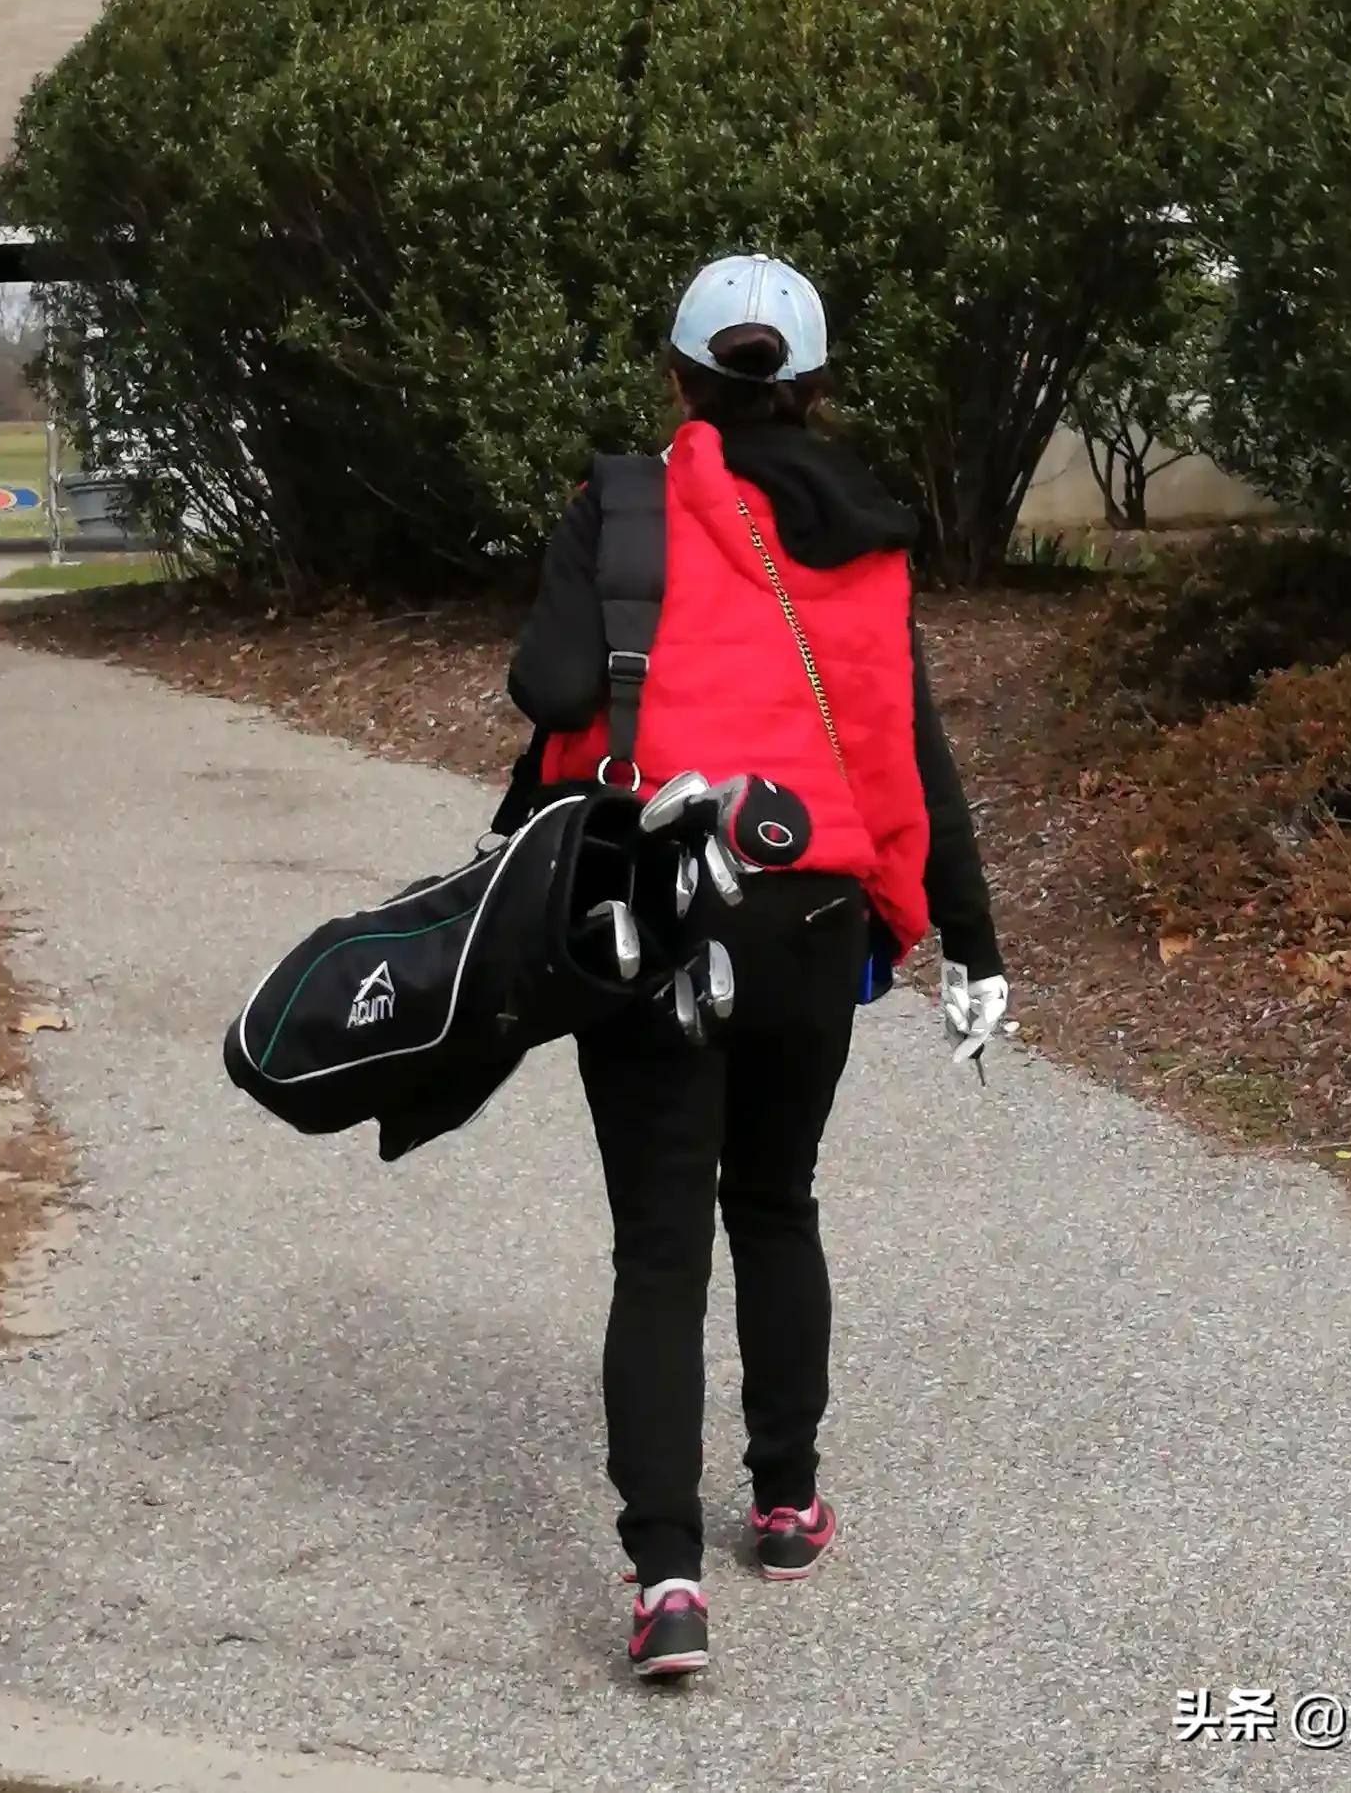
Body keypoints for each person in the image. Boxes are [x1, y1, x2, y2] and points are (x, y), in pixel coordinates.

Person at [497, 252, 1009, 1680]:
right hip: (814, 920)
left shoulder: (624, 503)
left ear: (678, 377)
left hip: (653, 909)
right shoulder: (868, 529)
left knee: (659, 1247)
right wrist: (971, 940)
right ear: (816, 384)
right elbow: (912, 748)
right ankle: (785, 1502)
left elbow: (549, 689)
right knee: (776, 1202)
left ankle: (667, 1581)